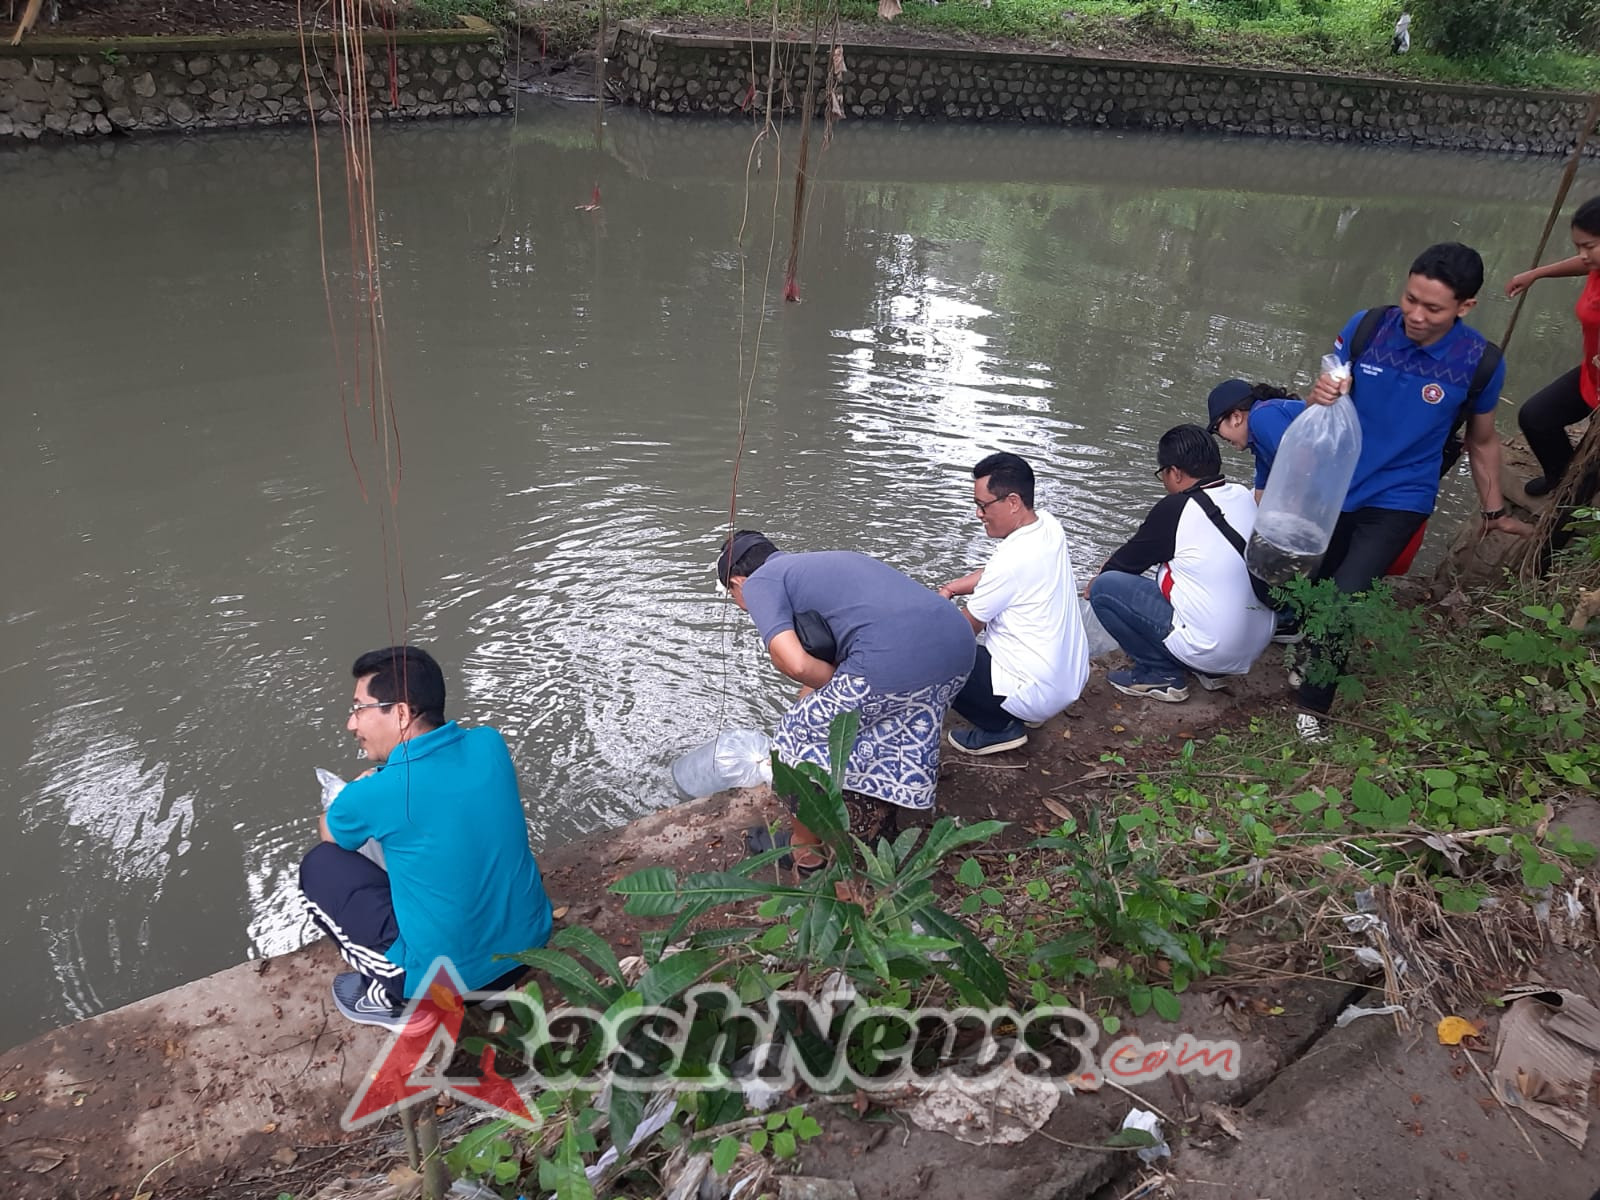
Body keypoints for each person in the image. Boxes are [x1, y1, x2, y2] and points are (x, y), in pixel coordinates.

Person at [1300, 242, 1529, 718]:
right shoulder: (1367, 328)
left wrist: (1493, 510)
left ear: (1465, 307)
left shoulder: (1479, 362)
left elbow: (1482, 440)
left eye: (1433, 307)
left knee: (1348, 596)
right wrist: (1320, 393)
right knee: (1320, 581)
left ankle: (1312, 708)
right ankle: (1306, 652)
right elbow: (1320, 401)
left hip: (1402, 494)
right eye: (1410, 299)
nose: (1416, 315)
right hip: (1338, 480)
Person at [299, 645, 554, 1029]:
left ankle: (393, 1000)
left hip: (449, 984)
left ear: (400, 712)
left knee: (320, 867)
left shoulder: (376, 794)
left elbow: (330, 832)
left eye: (358, 708)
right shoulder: (490, 743)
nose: (352, 724)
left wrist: (358, 791)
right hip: (531, 948)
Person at [718, 532, 974, 870]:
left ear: (737, 581)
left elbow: (792, 662)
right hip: (958, 648)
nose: (740, 601)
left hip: (892, 662)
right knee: (891, 723)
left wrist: (833, 685)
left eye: (731, 593)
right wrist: (835, 685)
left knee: (793, 737)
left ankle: (805, 852)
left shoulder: (759, 582)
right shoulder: (818, 565)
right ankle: (878, 827)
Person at [1085, 425, 1275, 703]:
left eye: (1162, 472)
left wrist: (1097, 577)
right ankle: (1205, 668)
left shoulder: (1176, 509)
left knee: (1105, 588)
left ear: (1174, 472)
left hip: (1214, 648)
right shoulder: (1242, 496)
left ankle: (1159, 675)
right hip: (1255, 642)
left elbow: (1123, 566)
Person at [935, 452, 1088, 755]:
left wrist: (935, 615)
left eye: (983, 505)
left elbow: (964, 631)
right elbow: (995, 573)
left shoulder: (1012, 560)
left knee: (936, 650)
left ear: (1013, 501)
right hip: (1066, 680)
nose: (979, 514)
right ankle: (1022, 712)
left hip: (1033, 691)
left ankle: (999, 727)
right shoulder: (1047, 526)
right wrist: (952, 588)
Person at [1503, 196, 1600, 498]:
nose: (1583, 255)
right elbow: (1584, 264)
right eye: (1578, 247)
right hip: (1591, 374)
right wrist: (1537, 274)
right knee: (1536, 417)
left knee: (1583, 490)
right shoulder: (1596, 264)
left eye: (1589, 246)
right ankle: (1559, 475)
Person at [1205, 378, 1306, 501]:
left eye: (1216, 428)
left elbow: (1301, 464)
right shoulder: (1258, 444)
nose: (1220, 437)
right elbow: (1260, 494)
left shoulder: (1261, 417)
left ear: (1236, 417)